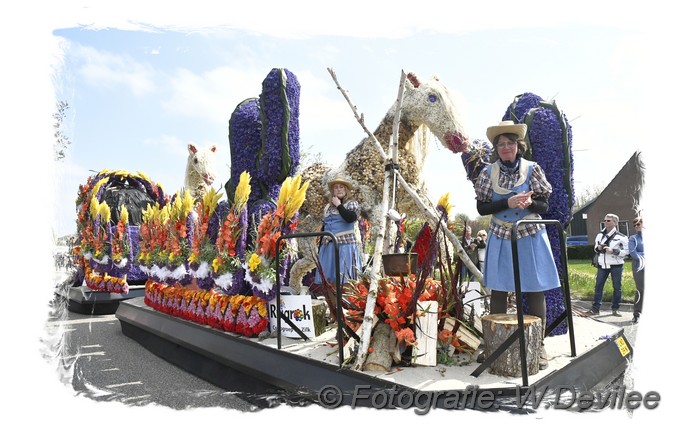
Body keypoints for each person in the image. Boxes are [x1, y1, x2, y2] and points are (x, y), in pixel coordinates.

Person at [474, 120, 560, 370]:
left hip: (529, 232)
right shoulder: (487, 173)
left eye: (509, 143)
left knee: (534, 289)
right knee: (499, 289)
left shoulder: (532, 169)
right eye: (500, 144)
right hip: (501, 233)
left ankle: (539, 346)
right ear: (496, 148)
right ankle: (491, 344)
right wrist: (508, 203)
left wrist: (529, 204)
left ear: (518, 146)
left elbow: (544, 205)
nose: (505, 148)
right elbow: (481, 207)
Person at [313, 175, 364, 287]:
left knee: (346, 281)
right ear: (333, 191)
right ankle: (333, 305)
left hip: (345, 247)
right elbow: (324, 228)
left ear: (346, 189)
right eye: (336, 187)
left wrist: (339, 205)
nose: (339, 189)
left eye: (341, 187)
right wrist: (320, 247)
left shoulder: (351, 203)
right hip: (328, 248)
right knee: (329, 283)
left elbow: (350, 218)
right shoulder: (328, 207)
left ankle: (346, 304)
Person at [586, 213, 630, 317]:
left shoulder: (622, 237)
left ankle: (616, 309)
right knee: (598, 286)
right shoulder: (600, 235)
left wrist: (613, 250)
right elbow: (595, 247)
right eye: (605, 220)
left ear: (615, 223)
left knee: (617, 287)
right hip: (603, 264)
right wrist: (599, 248)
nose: (605, 222)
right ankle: (595, 308)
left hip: (616, 265)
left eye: (608, 220)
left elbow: (627, 251)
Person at [628, 216, 645, 323]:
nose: (636, 227)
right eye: (634, 225)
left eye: (638, 224)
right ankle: (637, 314)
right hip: (639, 267)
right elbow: (633, 253)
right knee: (641, 289)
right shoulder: (633, 238)